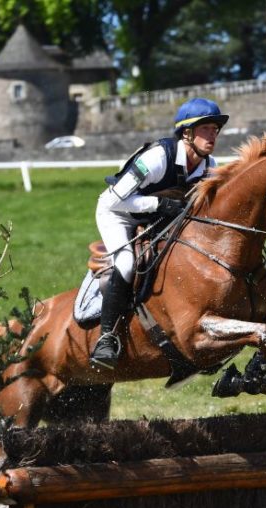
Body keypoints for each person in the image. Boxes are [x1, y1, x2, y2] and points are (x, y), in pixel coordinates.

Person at [89, 97, 228, 370]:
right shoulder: (157, 158)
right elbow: (115, 199)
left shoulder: (209, 165)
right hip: (117, 214)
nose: (213, 135)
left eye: (215, 129)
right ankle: (107, 338)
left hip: (156, 219)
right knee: (127, 264)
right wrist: (159, 204)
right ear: (187, 133)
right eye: (206, 129)